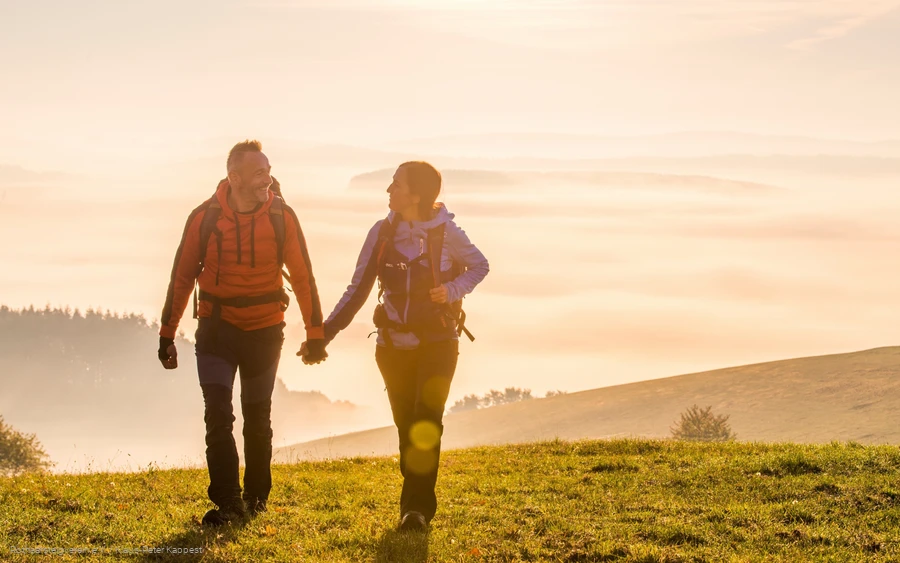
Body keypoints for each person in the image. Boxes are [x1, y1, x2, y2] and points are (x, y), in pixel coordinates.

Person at [158, 140, 327, 526]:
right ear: (234, 178)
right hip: (216, 330)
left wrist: (315, 333)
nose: (267, 177)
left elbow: (303, 277)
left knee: (257, 417)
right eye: (258, 172)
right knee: (218, 415)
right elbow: (182, 276)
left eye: (267, 169)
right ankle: (229, 503)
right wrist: (168, 334)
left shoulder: (282, 217)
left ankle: (255, 499)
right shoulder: (204, 217)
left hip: (265, 332)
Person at [313, 161, 489, 531]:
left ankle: (416, 511)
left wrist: (451, 291)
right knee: (406, 425)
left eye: (395, 184)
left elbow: (479, 265)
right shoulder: (381, 233)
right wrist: (323, 334)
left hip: (439, 342)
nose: (388, 191)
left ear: (416, 194)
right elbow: (358, 287)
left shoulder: (447, 232)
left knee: (426, 421)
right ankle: (415, 493)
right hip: (392, 345)